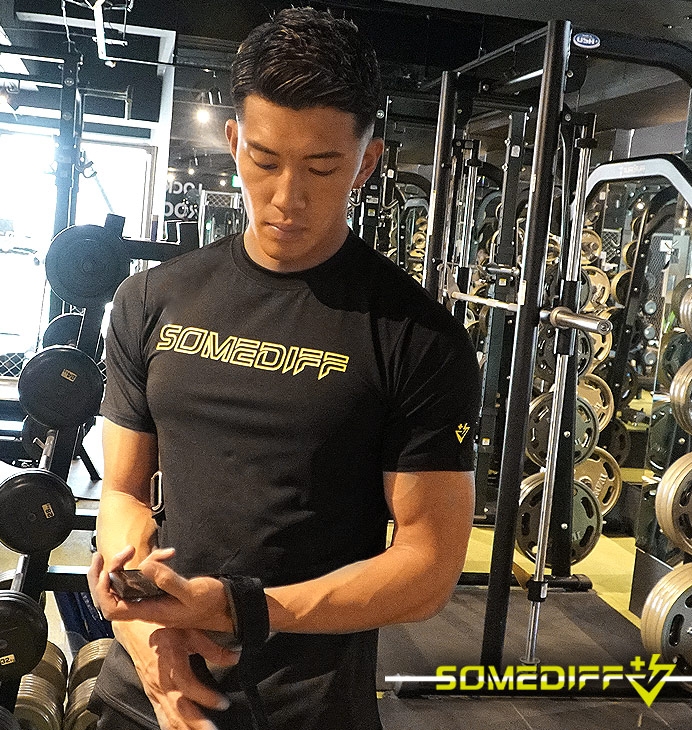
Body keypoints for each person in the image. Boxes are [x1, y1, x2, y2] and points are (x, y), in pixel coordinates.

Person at [87, 7, 480, 730]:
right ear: (234, 141)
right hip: (143, 693)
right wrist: (144, 625)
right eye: (264, 161)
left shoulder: (417, 337)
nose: (287, 198)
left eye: (322, 167)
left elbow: (428, 566)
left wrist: (242, 610)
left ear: (366, 162)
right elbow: (122, 493)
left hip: (305, 708)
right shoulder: (150, 299)